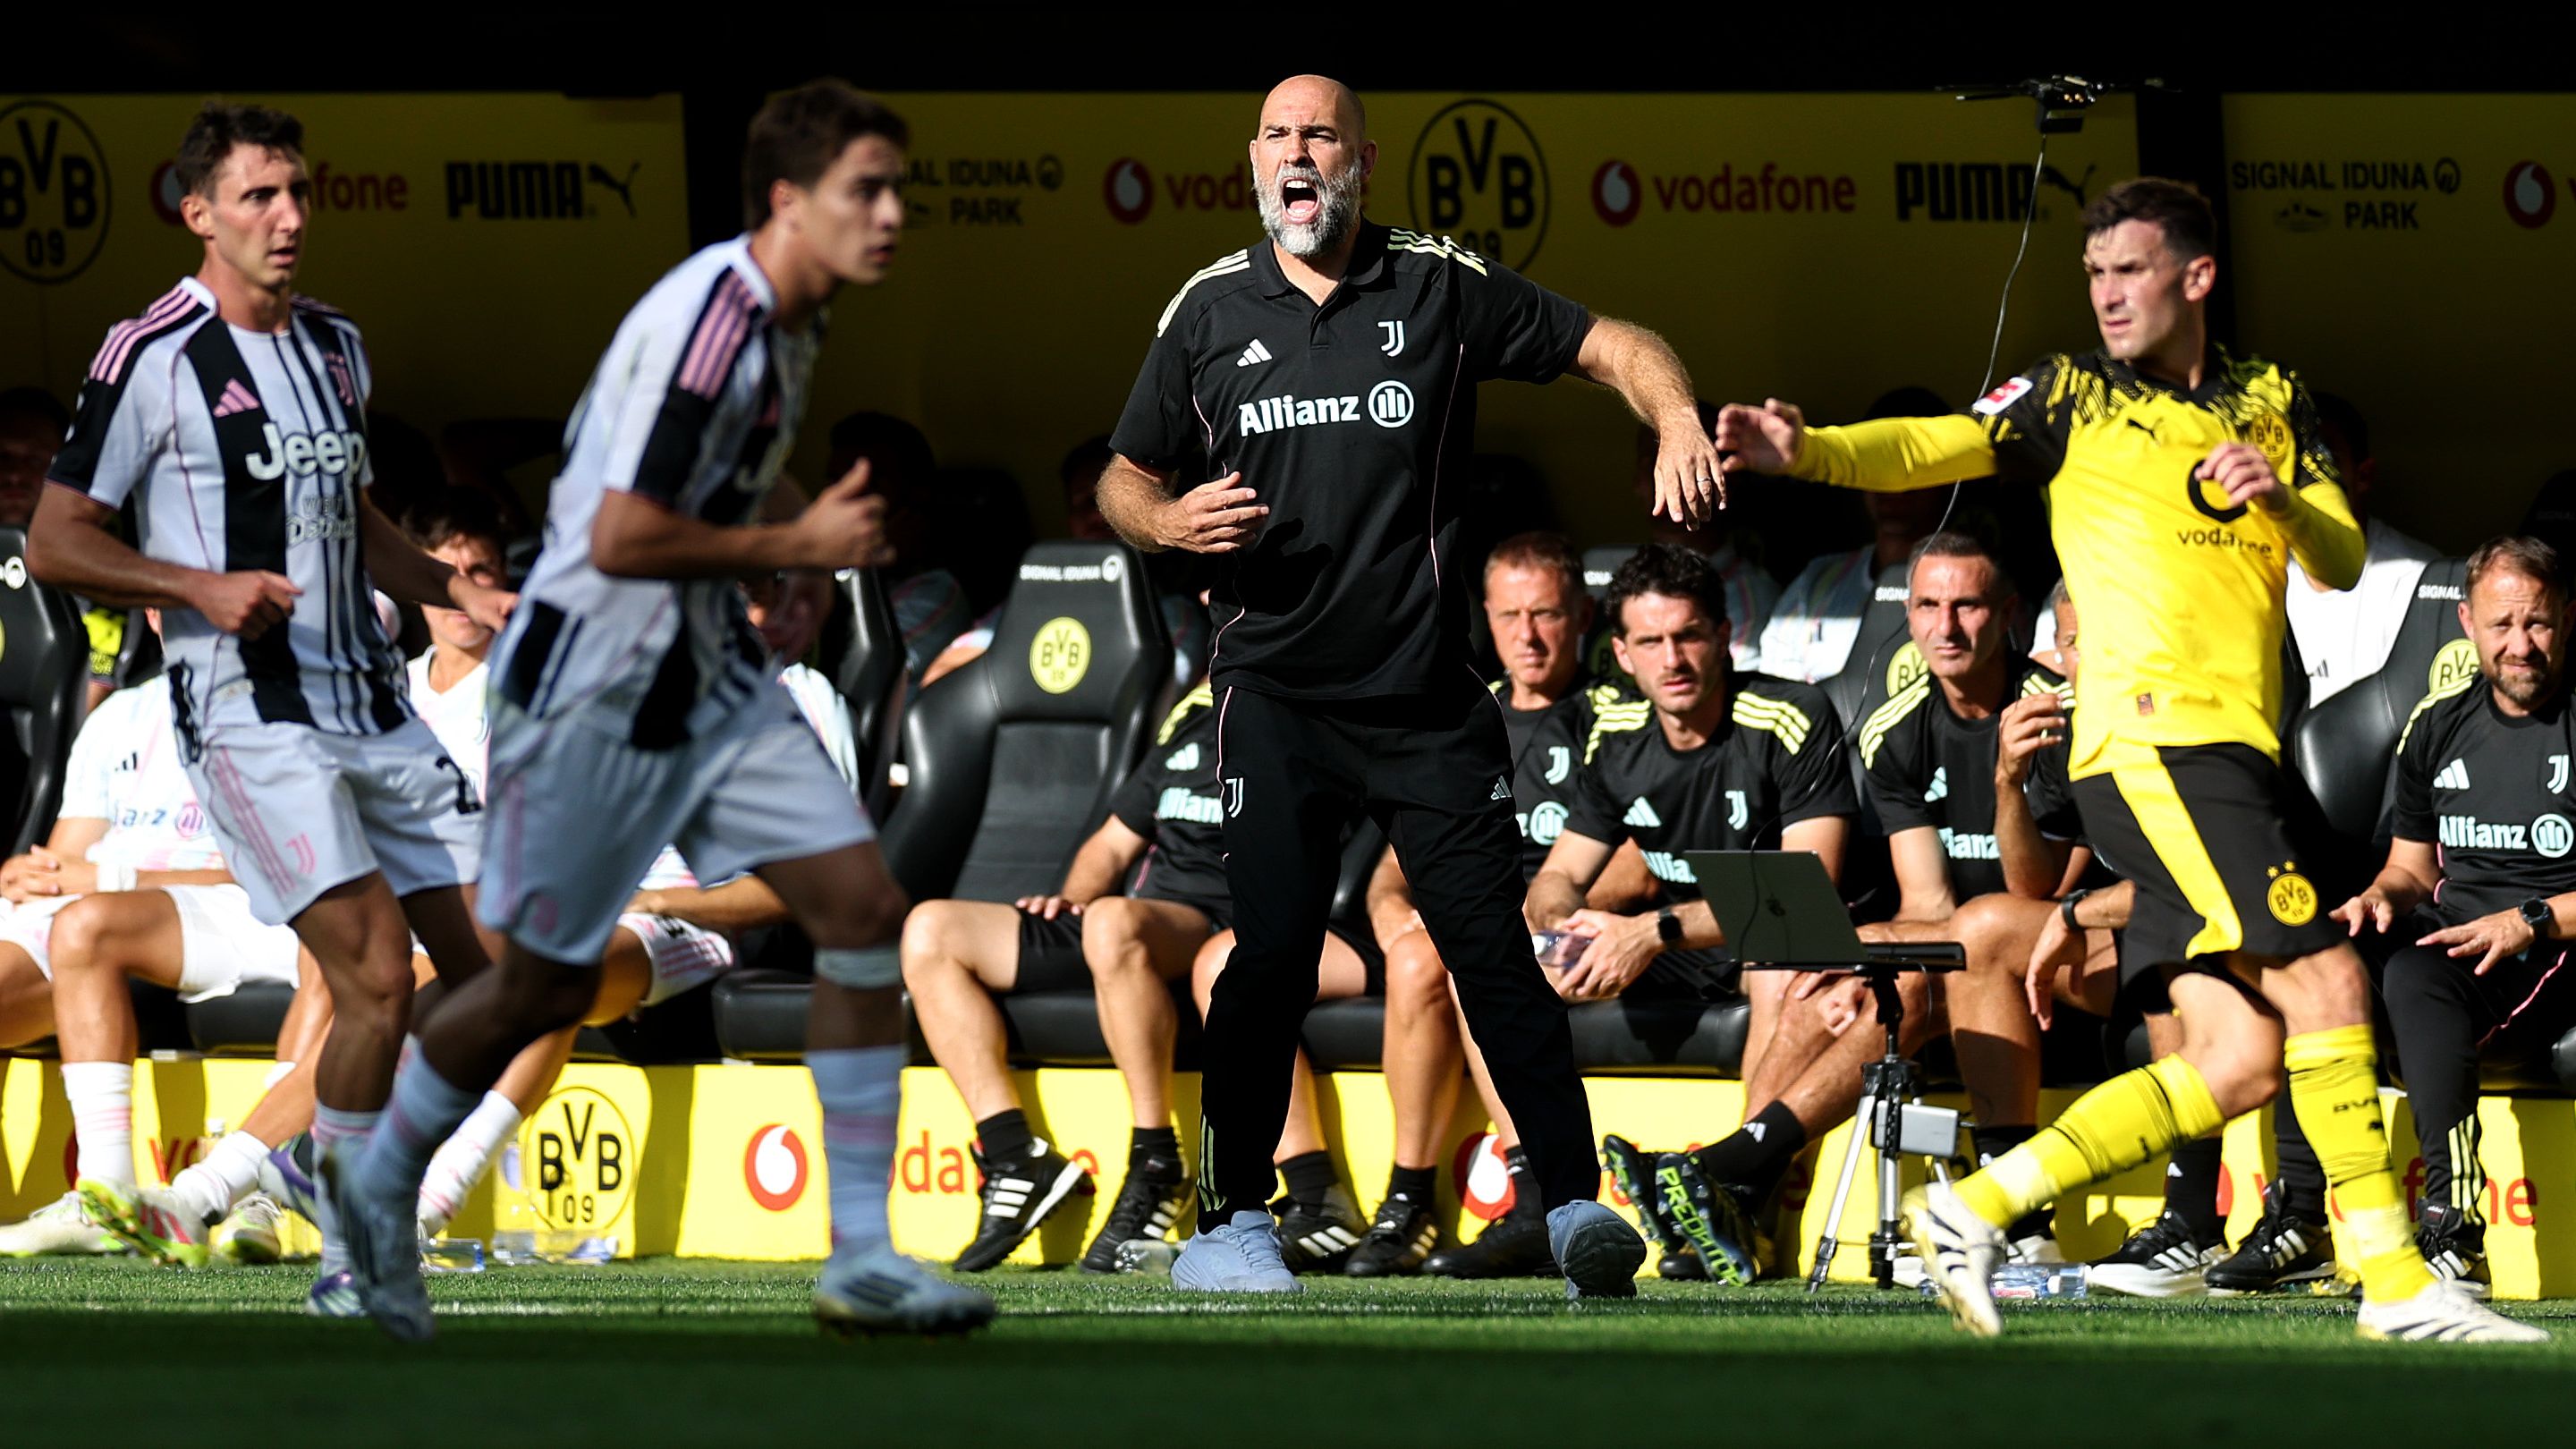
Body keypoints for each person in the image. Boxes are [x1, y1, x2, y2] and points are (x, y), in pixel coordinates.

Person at [1715, 175, 2538, 1342]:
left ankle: (1980, 1212)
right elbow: (1930, 444)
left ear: (2195, 278)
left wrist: (2287, 508)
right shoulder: (2068, 394)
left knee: (2243, 1054)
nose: (2105, 293)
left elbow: (2344, 556)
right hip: (2149, 738)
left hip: (2230, 754)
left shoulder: (2269, 400)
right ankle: (2397, 1283)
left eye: (2130, 271)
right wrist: (1814, 453)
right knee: (2330, 984)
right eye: (2095, 272)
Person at [333, 81, 990, 1343]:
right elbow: (618, 532)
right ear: (791, 202)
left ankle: (859, 1256)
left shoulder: (795, 314)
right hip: (591, 682)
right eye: (870, 189)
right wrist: (795, 534)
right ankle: (371, 1181)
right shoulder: (716, 322)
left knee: (857, 910)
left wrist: (791, 505)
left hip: (704, 674)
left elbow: (718, 473)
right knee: (537, 988)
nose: (896, 212)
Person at [1099, 75, 1716, 1297]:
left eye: (1319, 133)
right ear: (1255, 160)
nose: (1296, 154)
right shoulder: (1211, 310)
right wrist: (1167, 522)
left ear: (1362, 160)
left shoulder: (1438, 283)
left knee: (1488, 950)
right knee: (1265, 956)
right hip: (1274, 692)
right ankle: (1229, 1224)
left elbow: (1618, 346)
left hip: (1428, 700)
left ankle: (1574, 1205)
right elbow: (1125, 473)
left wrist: (1678, 418)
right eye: (1276, 135)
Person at [30, 100, 509, 1308]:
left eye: (298, 194)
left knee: (507, 969)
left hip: (374, 708)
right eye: (258, 197)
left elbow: (355, 527)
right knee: (378, 980)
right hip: (250, 716)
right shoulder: (150, 352)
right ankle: (356, 1252)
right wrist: (195, 584)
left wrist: (465, 594)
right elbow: (53, 541)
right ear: (198, 214)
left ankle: (315, 1165)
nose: (288, 218)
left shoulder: (338, 346)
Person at [1513, 544, 1857, 1285]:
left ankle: (1743, 1209)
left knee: (1776, 964)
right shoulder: (1619, 738)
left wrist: (1647, 931)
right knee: (1497, 967)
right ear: (1622, 654)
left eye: (1689, 635)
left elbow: (1807, 893)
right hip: (1678, 945)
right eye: (1651, 641)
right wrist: (1568, 927)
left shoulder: (1788, 715)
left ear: (1724, 635)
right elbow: (1557, 878)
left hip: (1786, 945)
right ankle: (1535, 1199)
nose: (1673, 658)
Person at [1359, 532, 1648, 1279]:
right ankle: (1409, 1201)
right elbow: (1394, 866)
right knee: (1422, 954)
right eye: (1510, 615)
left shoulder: (1614, 710)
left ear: (1583, 615)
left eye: (1547, 614)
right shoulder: (1461, 714)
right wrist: (1393, 917)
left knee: (1469, 957)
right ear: (1483, 616)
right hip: (1472, 923)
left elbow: (1644, 855)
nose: (1528, 634)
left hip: (1572, 926)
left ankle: (1531, 1198)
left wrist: (1509, 915)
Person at [902, 678, 1233, 1275]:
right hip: (1131, 924)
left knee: (1113, 922)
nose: (1216, 600)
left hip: (1220, 923)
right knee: (930, 930)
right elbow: (1109, 845)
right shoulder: (1192, 712)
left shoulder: (1301, 702)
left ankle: (1157, 1160)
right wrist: (1072, 901)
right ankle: (1013, 1155)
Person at [2334, 536, 2576, 1299]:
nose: (2519, 646)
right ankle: (2300, 1218)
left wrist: (2527, 921)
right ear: (2467, 623)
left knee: (2415, 976)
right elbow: (2412, 868)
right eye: (2501, 626)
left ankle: (2450, 1225)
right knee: (2314, 961)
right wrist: (2379, 898)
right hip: (2454, 939)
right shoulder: (2437, 726)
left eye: (2536, 624)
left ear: (2569, 620)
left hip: (2552, 949)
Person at [1751, 387, 1951, 685]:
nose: (1893, 481)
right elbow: (1776, 690)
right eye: (1879, 461)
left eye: (1913, 463)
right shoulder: (1819, 579)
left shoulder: (1973, 587)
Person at [2288, 394, 2440, 704]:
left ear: (2364, 475)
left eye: (2326, 460)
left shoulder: (2415, 576)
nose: (2310, 479)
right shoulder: (2257, 565)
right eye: (2297, 461)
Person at [1632, 406, 1777, 672]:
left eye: (1683, 459)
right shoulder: (1620, 580)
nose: (1661, 471)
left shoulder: (1747, 594)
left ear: (1726, 479)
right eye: (1648, 460)